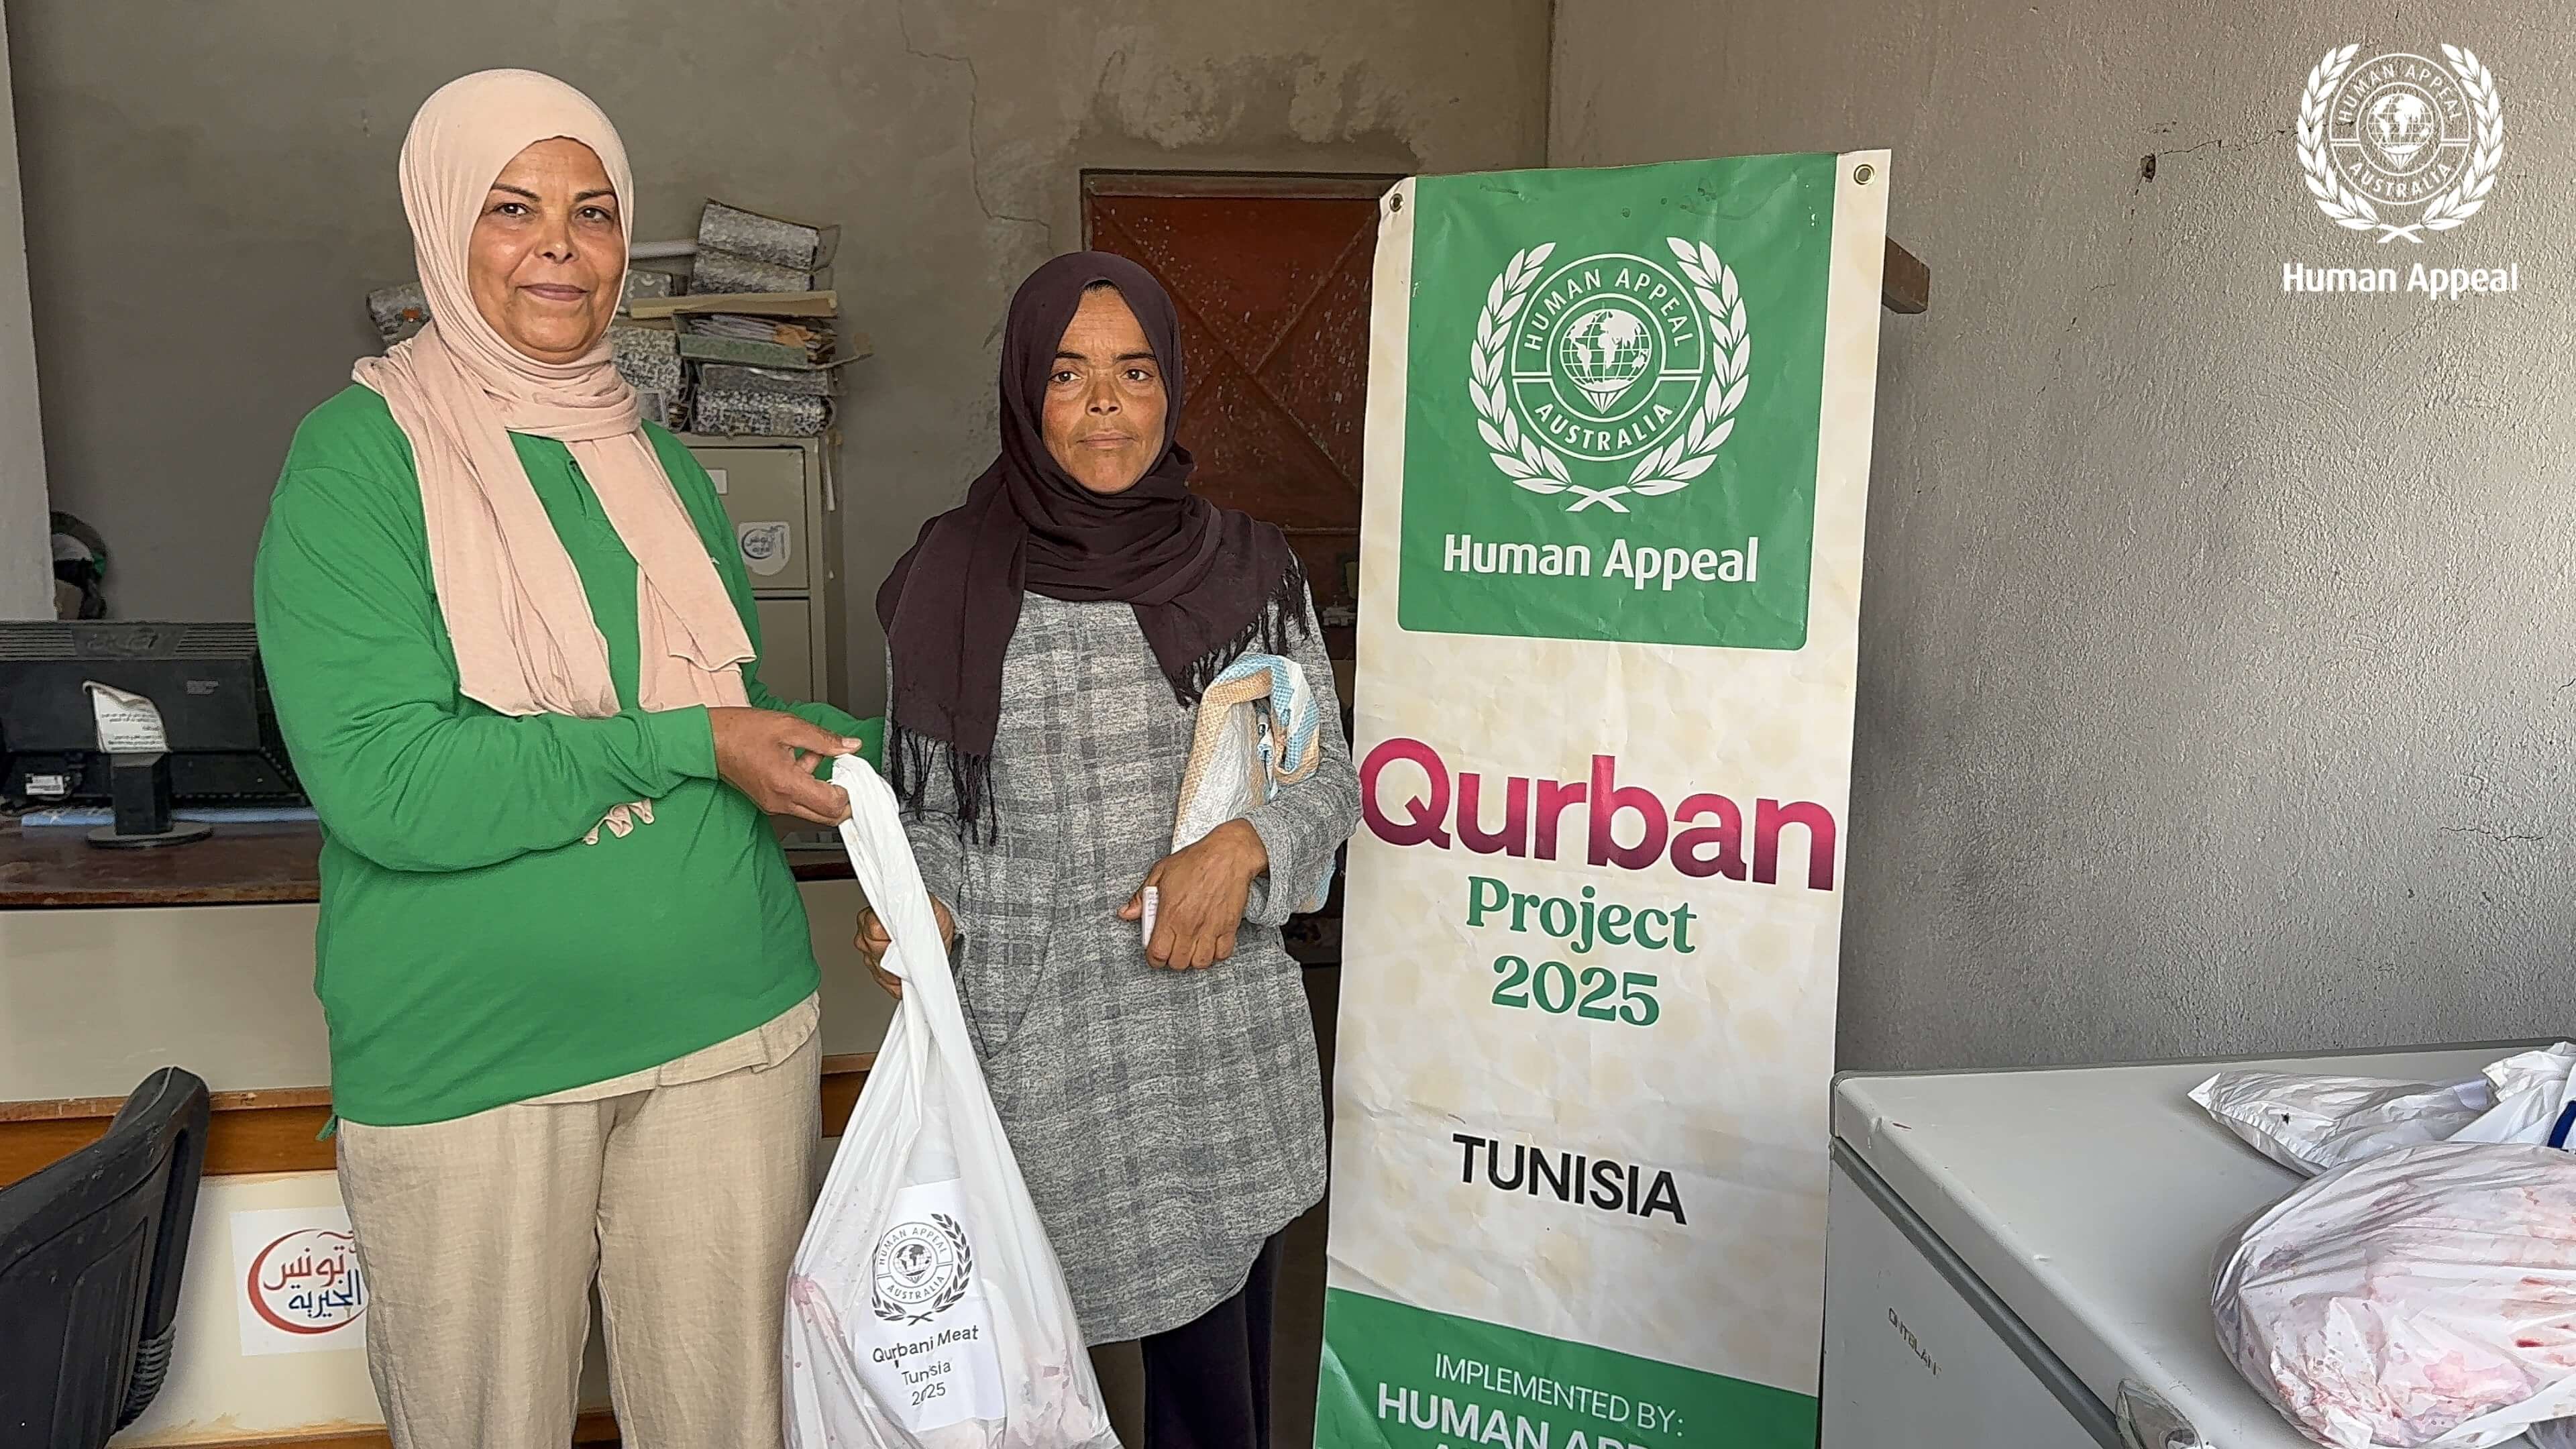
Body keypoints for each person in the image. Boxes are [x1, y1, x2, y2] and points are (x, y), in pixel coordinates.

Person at [252, 70, 862, 1449]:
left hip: (730, 1029)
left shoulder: (656, 460)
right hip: (476, 1055)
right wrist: (691, 741)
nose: (560, 248)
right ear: (441, 225)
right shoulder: (356, 462)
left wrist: (886, 764)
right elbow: (389, 787)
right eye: (511, 208)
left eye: (593, 212)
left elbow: (733, 715)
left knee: (733, 1426)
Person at [858, 252, 1362, 1449]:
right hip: (1033, 1041)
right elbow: (932, 813)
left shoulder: (1250, 567)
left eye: (1134, 372)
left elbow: (1327, 778)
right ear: (1024, 390)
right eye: (1069, 373)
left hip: (1210, 1037)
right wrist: (922, 906)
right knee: (1020, 1384)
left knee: (1212, 1392)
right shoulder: (947, 575)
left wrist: (1242, 845)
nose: (1104, 405)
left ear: (1170, 389)